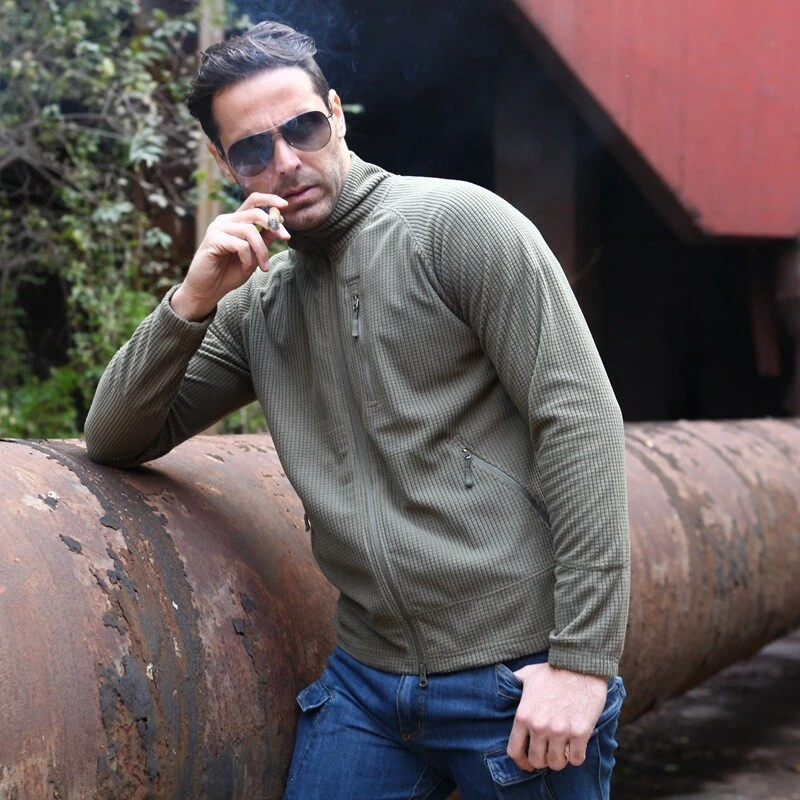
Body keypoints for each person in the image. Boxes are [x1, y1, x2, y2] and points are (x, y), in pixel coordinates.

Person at [84, 20, 630, 800]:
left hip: (515, 674)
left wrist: (581, 661)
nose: (285, 162)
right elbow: (115, 435)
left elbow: (578, 421)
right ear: (224, 163)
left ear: (336, 114)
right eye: (253, 149)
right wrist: (192, 298)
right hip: (368, 688)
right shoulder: (256, 306)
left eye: (302, 128)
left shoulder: (460, 227)